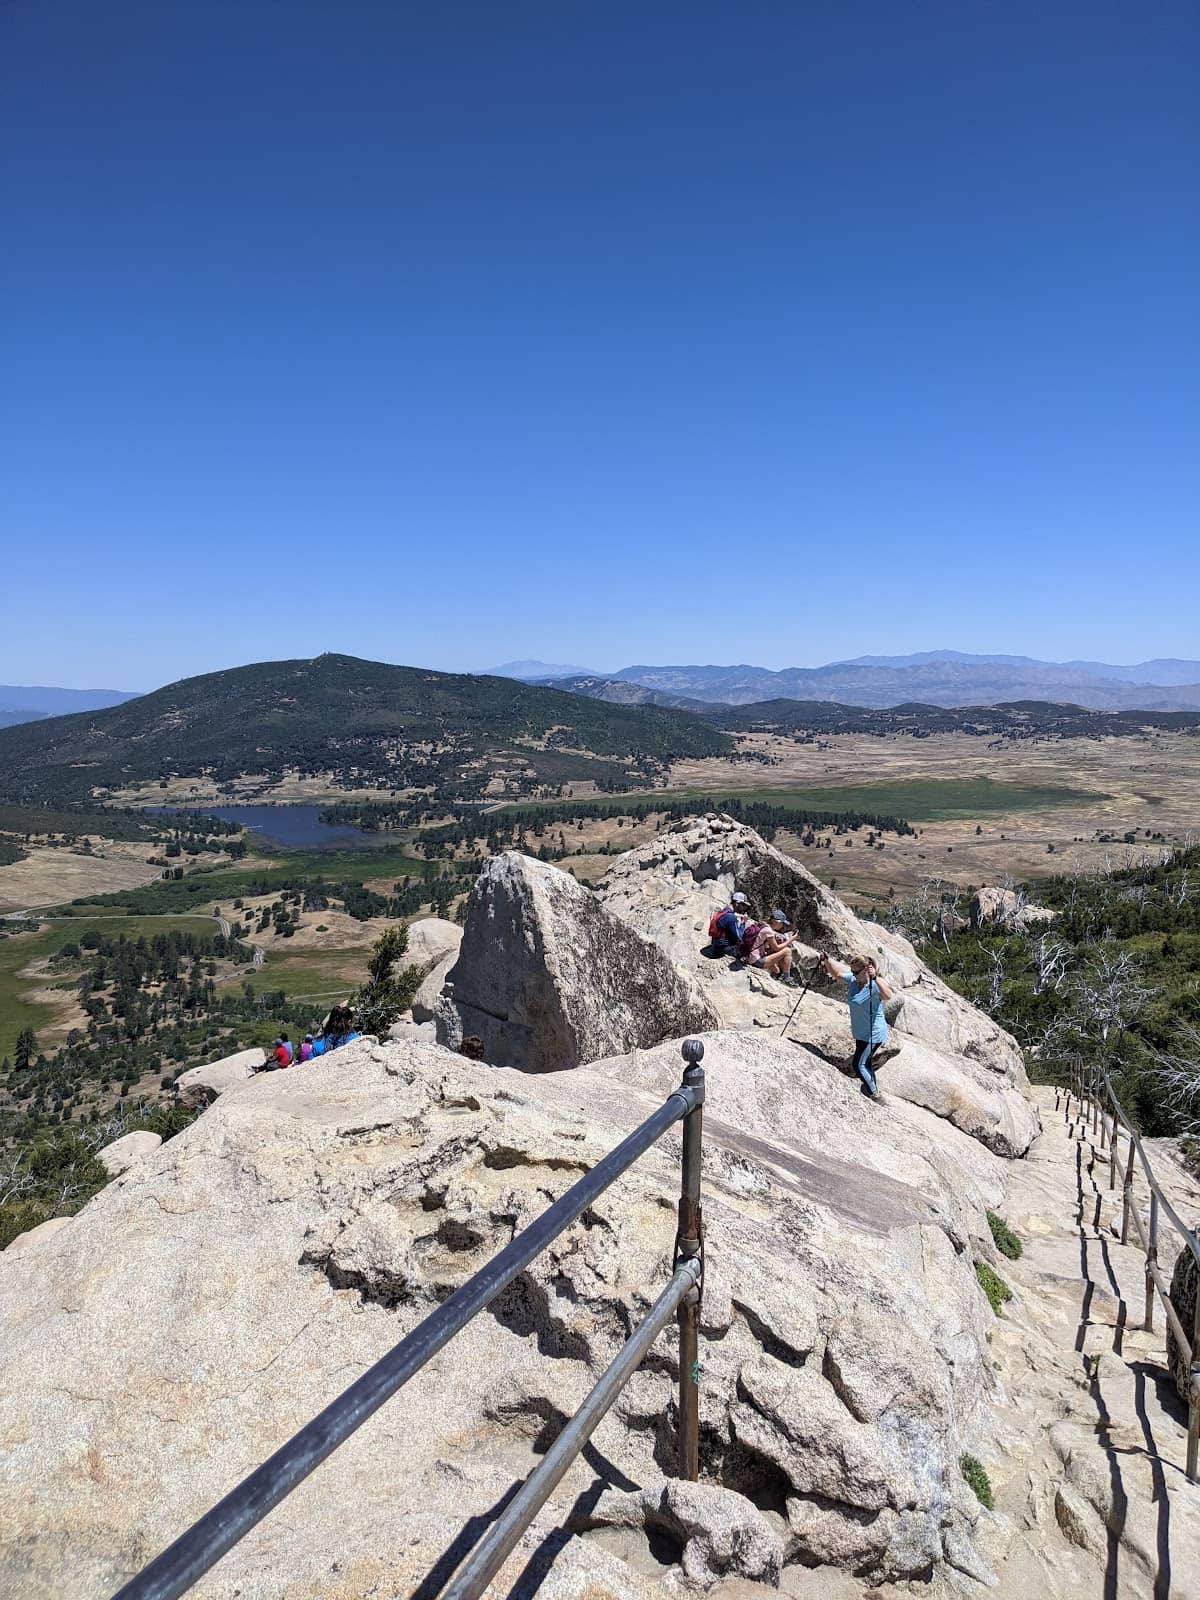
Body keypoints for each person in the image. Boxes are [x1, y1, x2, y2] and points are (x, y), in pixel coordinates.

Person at [820, 951, 892, 1099]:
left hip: (873, 1033)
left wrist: (875, 977)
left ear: (867, 968)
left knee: (858, 1065)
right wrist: (827, 961)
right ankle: (872, 1086)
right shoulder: (854, 981)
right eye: (852, 971)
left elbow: (887, 996)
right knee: (865, 1062)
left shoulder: (875, 985)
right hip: (861, 1032)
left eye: (856, 972)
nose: (853, 974)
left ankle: (875, 1093)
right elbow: (838, 975)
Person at [748, 910, 797, 983]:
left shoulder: (762, 925)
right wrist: (790, 940)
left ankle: (779, 976)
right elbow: (776, 948)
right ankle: (786, 978)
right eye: (782, 923)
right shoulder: (769, 931)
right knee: (787, 951)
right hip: (756, 960)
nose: (782, 925)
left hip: (750, 956)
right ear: (776, 922)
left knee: (776, 970)